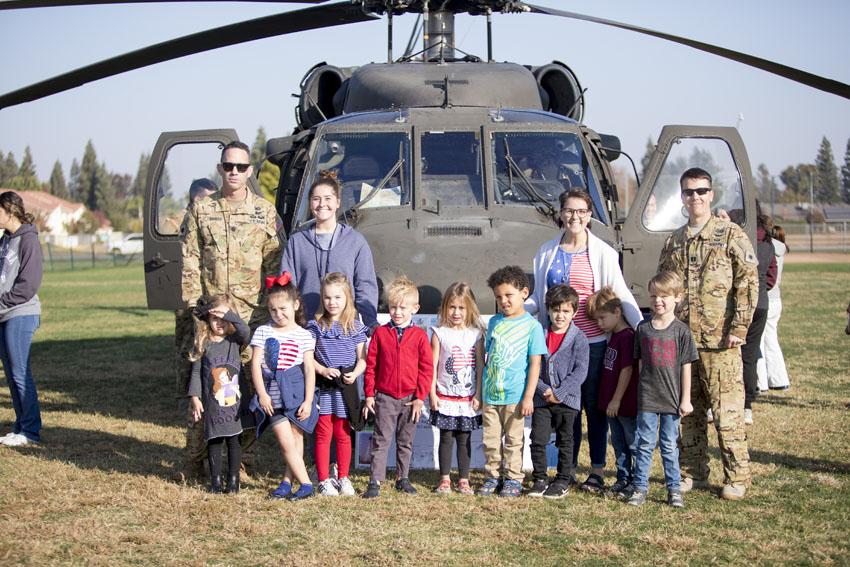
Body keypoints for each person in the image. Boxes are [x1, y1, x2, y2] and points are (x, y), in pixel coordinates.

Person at [527, 188, 641, 495]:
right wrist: (512, 315)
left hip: (591, 345)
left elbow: (620, 294)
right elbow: (537, 298)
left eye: (581, 211)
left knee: (594, 408)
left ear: (589, 215)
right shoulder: (547, 251)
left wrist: (642, 329)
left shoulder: (602, 252)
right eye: (569, 210)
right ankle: (568, 469)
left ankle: (597, 470)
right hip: (555, 346)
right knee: (567, 410)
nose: (574, 216)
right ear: (561, 213)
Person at [181, 142, 282, 479]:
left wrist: (275, 312)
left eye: (241, 166)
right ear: (220, 168)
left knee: (249, 391)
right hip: (209, 320)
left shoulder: (265, 212)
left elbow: (276, 264)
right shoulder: (201, 211)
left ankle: (243, 460)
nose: (234, 172)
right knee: (205, 388)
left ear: (250, 170)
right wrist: (195, 307)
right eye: (228, 166)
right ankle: (196, 460)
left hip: (250, 317)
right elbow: (189, 259)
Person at [658, 167, 758, 501]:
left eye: (702, 191)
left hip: (721, 343)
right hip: (685, 343)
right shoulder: (674, 241)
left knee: (727, 412)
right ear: (682, 197)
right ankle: (693, 472)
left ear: (711, 194)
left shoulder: (730, 234)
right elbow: (664, 289)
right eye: (689, 192)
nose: (695, 197)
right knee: (689, 412)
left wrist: (739, 328)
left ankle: (737, 477)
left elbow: (748, 282)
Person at [627, 271, 697, 508]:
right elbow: (639, 364)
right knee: (644, 443)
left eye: (664, 296)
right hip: (647, 398)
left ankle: (674, 489)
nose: (658, 300)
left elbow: (686, 366)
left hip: (672, 399)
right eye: (654, 295)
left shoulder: (682, 331)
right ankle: (639, 488)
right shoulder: (643, 328)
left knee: (668, 445)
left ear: (678, 297)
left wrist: (685, 399)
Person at [478, 266, 546, 498]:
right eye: (498, 297)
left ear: (524, 293)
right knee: (490, 440)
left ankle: (514, 478)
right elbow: (488, 360)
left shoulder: (533, 327)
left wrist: (528, 397)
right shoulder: (494, 323)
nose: (503, 301)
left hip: (515, 397)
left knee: (514, 440)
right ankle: (492, 476)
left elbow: (535, 364)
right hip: (491, 395)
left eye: (509, 295)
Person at [249, 273, 319, 501]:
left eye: (283, 309)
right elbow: (256, 365)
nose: (278, 315)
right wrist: (262, 394)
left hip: (296, 393)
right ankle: (307, 484)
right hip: (273, 395)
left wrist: (308, 400)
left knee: (297, 439)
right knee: (285, 440)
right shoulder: (263, 331)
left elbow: (309, 369)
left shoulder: (304, 335)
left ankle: (287, 482)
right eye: (273, 310)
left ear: (295, 305)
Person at [362, 276, 432, 499]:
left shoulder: (420, 336)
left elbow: (426, 369)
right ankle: (375, 480)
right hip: (385, 397)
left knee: (405, 441)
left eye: (403, 307)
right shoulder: (381, 334)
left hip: (411, 399)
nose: (397, 312)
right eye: (393, 307)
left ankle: (403, 478)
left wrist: (420, 397)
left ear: (415, 308)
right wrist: (370, 394)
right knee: (381, 439)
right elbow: (371, 366)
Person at [280, 169, 379, 328]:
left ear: (338, 202)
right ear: (310, 203)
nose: (321, 204)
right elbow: (287, 288)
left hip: (345, 332)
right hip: (306, 330)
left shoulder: (355, 242)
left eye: (328, 198)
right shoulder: (296, 242)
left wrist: (371, 323)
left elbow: (365, 286)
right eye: (316, 199)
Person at [307, 272, 367, 497]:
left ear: (347, 298)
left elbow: (363, 358)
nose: (333, 303)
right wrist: (322, 369)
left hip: (346, 388)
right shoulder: (316, 326)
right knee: (323, 433)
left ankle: (343, 477)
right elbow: (308, 357)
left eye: (338, 298)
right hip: (324, 388)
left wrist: (355, 373)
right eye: (328, 298)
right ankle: (323, 479)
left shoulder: (355, 327)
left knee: (343, 433)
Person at [527, 285, 588, 500]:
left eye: (565, 311)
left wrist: (560, 393)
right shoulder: (539, 332)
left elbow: (580, 371)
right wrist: (544, 390)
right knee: (538, 439)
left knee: (566, 440)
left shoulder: (579, 338)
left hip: (568, 401)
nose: (560, 315)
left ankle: (563, 479)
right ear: (548, 310)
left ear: (574, 312)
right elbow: (531, 365)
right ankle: (540, 478)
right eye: (555, 310)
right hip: (542, 399)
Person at [175, 178, 218, 480]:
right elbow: (188, 270)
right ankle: (194, 459)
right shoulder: (192, 225)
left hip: (224, 315)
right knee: (197, 388)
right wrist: (196, 310)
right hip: (199, 318)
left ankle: (232, 457)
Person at [187, 295, 250, 494]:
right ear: (207, 319)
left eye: (224, 318)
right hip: (213, 406)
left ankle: (233, 480)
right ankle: (215, 480)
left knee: (234, 442)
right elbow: (196, 372)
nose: (220, 322)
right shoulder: (203, 343)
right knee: (214, 442)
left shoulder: (234, 340)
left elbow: (246, 331)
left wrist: (230, 315)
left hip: (234, 406)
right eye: (215, 318)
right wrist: (195, 397)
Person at [429, 282, 485, 496]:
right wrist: (432, 393)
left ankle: (464, 479)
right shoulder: (439, 333)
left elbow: (480, 366)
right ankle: (444, 479)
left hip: (468, 399)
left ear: (469, 308)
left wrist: (478, 393)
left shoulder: (476, 334)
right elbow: (432, 366)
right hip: (445, 398)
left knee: (464, 438)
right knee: (446, 437)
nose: (456, 312)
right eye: (452, 307)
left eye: (461, 308)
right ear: (445, 307)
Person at [588, 286, 639, 500]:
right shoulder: (613, 337)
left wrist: (616, 399)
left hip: (624, 404)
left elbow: (627, 369)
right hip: (613, 405)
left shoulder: (627, 337)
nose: (599, 324)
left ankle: (637, 480)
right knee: (618, 442)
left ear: (617, 312)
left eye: (602, 318)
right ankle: (622, 476)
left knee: (632, 442)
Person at [0, 191, 43, 447]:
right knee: (11, 373)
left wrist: (2, 303)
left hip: (21, 312)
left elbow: (28, 285)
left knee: (20, 373)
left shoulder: (28, 240)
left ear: (10, 211)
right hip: (4, 313)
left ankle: (30, 431)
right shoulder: (5, 240)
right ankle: (20, 426)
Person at [739, 210, 776, 425]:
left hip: (742, 303)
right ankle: (747, 405)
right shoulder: (768, 245)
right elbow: (772, 277)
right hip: (761, 304)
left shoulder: (740, 239)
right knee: (750, 355)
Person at [757, 225, 790, 391]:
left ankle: (760, 383)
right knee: (771, 340)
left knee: (758, 342)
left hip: (765, 297)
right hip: (776, 299)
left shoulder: (765, 247)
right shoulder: (780, 248)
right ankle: (779, 380)